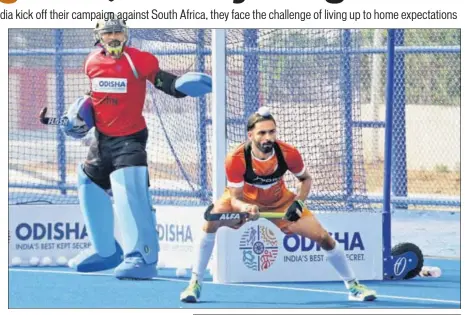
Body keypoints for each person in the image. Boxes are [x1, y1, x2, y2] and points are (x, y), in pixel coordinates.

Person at [60, 19, 210, 280]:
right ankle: (105, 251)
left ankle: (143, 256)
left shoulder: (139, 60)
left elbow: (163, 82)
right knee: (88, 182)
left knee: (128, 188)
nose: (114, 37)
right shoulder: (92, 62)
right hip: (102, 139)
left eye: (118, 31)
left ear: (126, 34)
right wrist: (78, 117)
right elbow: (96, 96)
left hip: (130, 139)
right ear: (99, 37)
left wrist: (181, 86)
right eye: (109, 33)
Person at [180, 106, 377, 302]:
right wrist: (246, 208)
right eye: (262, 133)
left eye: (272, 132)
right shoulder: (235, 159)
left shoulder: (288, 153)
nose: (268, 138)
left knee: (323, 237)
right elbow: (235, 197)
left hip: (280, 202)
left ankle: (353, 286)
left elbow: (306, 179)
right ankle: (195, 284)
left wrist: (298, 204)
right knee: (210, 222)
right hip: (245, 201)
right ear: (250, 135)